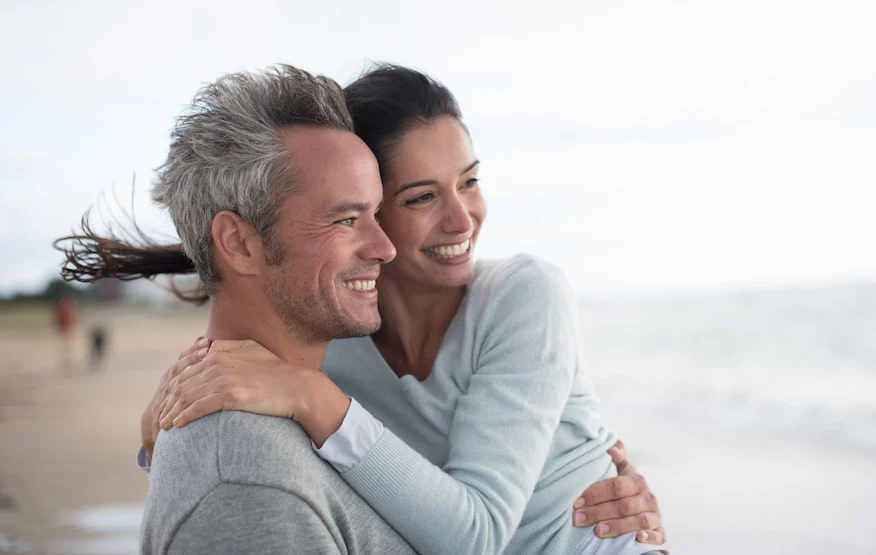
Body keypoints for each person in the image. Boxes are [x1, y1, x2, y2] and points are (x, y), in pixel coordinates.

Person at [63, 65, 666, 555]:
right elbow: (243, 386)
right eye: (422, 197)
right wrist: (169, 413)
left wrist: (311, 395)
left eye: (471, 182)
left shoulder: (523, 295)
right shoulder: (336, 327)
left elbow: (474, 534)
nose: (463, 220)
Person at [59, 64, 418, 555]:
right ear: (239, 243)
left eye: (375, 214)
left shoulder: (305, 424)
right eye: (347, 218)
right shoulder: (247, 487)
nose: (385, 247)